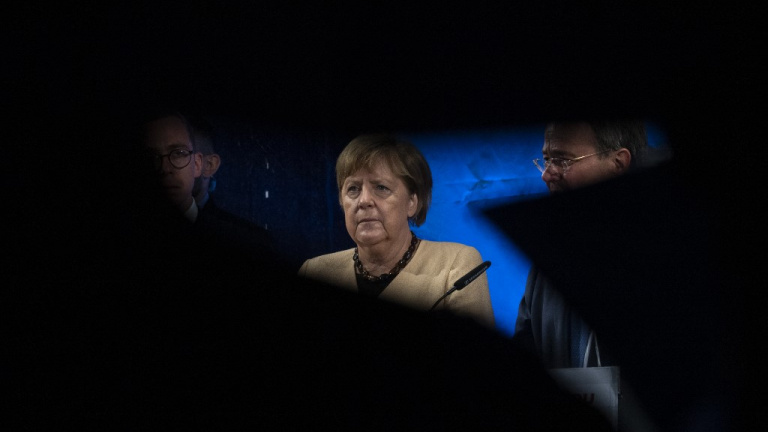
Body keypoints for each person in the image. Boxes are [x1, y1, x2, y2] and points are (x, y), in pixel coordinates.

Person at [298, 133, 495, 328]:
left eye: (381, 187)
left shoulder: (457, 265)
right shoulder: (314, 271)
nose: (364, 201)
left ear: (412, 203)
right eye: (353, 189)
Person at [514, 120, 649, 368]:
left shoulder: (672, 255)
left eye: (562, 160)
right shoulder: (546, 263)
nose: (546, 174)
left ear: (618, 163)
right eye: (546, 159)